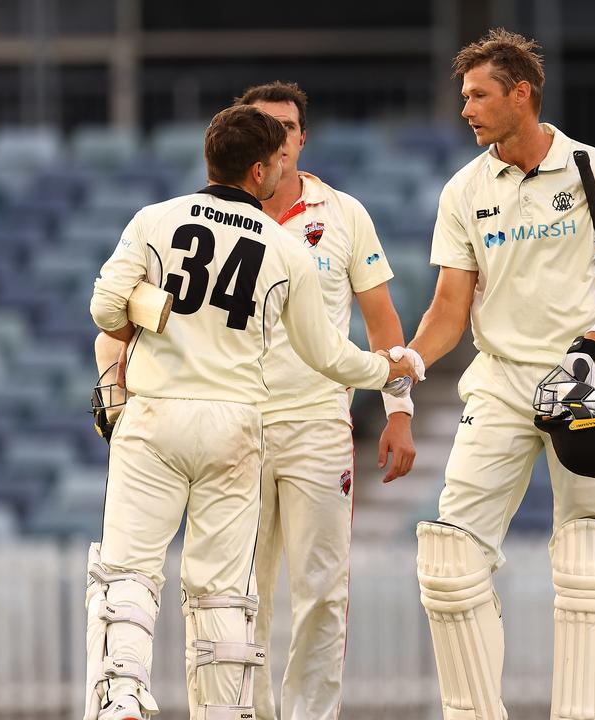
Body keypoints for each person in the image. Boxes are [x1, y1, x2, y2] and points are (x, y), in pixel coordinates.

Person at [83, 104, 418, 720]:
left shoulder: (155, 219)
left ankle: (122, 697)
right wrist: (388, 374)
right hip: (237, 427)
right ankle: (225, 712)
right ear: (259, 169)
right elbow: (328, 354)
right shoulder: (282, 247)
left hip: (158, 418)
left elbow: (106, 313)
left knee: (130, 566)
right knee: (222, 589)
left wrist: (159, 308)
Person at [401, 28, 595, 720]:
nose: (467, 110)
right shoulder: (464, 190)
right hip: (503, 379)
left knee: (590, 561)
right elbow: (450, 310)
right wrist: (412, 360)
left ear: (522, 95)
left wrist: (587, 345)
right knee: (449, 562)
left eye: (479, 95)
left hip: (588, 376)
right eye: (463, 97)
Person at [235, 80, 417, 720]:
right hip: (238, 424)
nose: (277, 137)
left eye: (287, 126)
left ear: (302, 137)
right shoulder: (220, 214)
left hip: (317, 423)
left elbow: (382, 321)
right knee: (237, 593)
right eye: (262, 126)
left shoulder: (342, 213)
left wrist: (399, 411)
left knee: (320, 592)